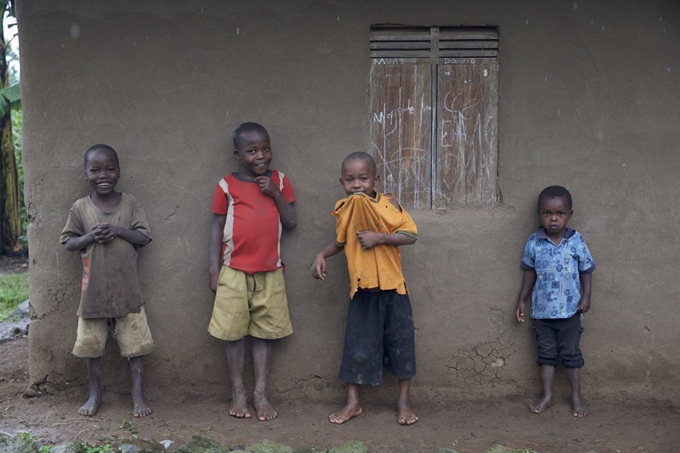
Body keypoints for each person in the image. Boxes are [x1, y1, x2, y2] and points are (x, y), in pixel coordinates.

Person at [311, 151, 419, 426]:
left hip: (394, 290)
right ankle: (353, 403)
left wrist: (380, 238)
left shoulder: (389, 204)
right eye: (350, 179)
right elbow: (341, 241)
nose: (357, 185)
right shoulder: (345, 209)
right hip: (362, 290)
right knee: (356, 347)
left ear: (375, 180)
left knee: (401, 346)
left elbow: (411, 235)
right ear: (342, 183)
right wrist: (322, 255)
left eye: (363, 178)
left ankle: (404, 402)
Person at [208, 122, 297, 421]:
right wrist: (213, 268)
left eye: (265, 148)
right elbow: (217, 227)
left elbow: (292, 221)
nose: (261, 156)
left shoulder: (280, 181)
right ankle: (238, 392)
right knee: (234, 334)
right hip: (233, 271)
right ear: (237, 154)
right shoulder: (226, 186)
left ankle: (260, 393)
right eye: (252, 151)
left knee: (263, 334)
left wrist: (274, 192)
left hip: (270, 271)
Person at [60, 144, 154, 418]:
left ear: (119, 172)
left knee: (136, 347)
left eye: (110, 169)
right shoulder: (80, 208)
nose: (104, 175)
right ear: (86, 173)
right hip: (93, 293)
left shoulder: (131, 203)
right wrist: (90, 236)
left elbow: (144, 238)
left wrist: (117, 230)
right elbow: (69, 243)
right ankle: (94, 394)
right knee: (92, 348)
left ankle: (138, 395)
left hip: (128, 291)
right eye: (96, 170)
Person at [516, 185, 596, 418]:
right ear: (539, 214)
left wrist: (586, 296)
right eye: (547, 213)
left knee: (571, 354)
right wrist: (521, 300)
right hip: (542, 313)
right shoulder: (534, 241)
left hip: (570, 312)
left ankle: (575, 397)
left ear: (569, 214)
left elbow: (587, 270)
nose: (553, 219)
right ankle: (548, 395)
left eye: (560, 214)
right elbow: (529, 272)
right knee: (546, 354)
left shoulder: (576, 241)